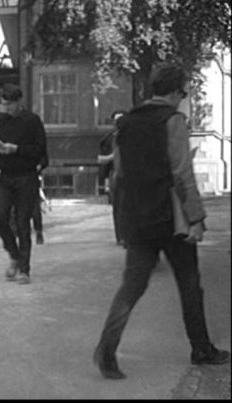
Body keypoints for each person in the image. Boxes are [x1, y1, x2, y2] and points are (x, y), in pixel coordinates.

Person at [93, 64, 230, 379]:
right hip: (171, 219)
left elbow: (122, 173)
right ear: (174, 92)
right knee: (190, 285)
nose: (183, 98)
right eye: (183, 93)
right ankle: (201, 348)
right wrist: (196, 217)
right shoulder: (173, 121)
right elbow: (183, 174)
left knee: (131, 288)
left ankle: (107, 351)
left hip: (139, 218)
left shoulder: (125, 123)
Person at [0, 83, 48, 285]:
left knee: (22, 223)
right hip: (6, 175)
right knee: (0, 217)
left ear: (19, 102)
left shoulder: (32, 121)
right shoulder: (1, 121)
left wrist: (16, 149)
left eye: (10, 104)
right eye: (4, 104)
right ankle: (14, 254)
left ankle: (24, 269)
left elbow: (39, 149)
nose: (7, 108)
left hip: (26, 175)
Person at [97, 110, 126, 246]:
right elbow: (101, 160)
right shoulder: (108, 138)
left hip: (130, 175)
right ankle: (120, 236)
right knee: (118, 206)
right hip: (115, 174)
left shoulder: (134, 137)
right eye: (116, 120)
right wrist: (104, 182)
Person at [32, 153, 49, 245]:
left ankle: (38, 232)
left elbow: (44, 160)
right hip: (16, 180)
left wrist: (39, 166)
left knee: (35, 210)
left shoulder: (34, 143)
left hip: (31, 179)